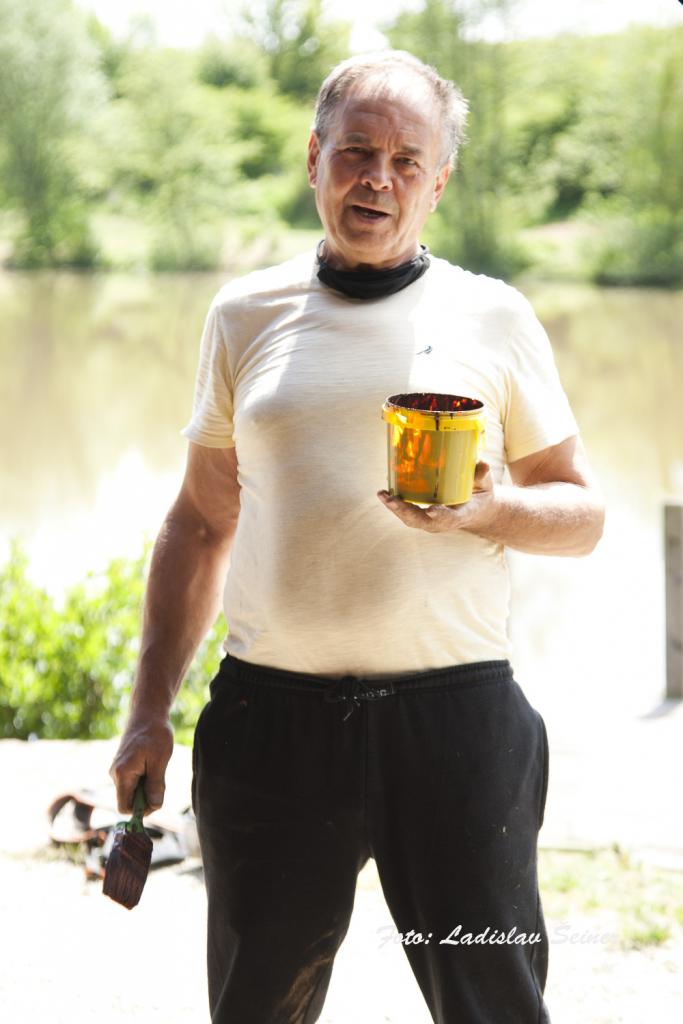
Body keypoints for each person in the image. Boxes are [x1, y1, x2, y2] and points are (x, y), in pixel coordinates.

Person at [110, 50, 604, 1024]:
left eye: (406, 160)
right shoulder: (242, 313)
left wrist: (489, 510)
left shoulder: (493, 316)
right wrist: (145, 712)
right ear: (313, 158)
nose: (378, 178)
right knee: (258, 1008)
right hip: (271, 724)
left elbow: (581, 515)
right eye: (356, 152)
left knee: (491, 1003)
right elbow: (199, 522)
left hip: (456, 725)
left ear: (437, 182)